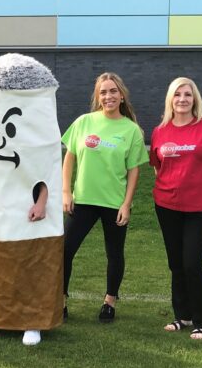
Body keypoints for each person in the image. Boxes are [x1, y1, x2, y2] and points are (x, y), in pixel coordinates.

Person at [0, 53, 64, 346]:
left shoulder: (37, 134)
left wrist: (42, 203)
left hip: (28, 209)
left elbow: (45, 170)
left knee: (32, 263)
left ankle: (32, 321)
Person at [150, 77, 202, 340]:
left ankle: (201, 322)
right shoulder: (160, 131)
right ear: (170, 99)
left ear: (195, 99)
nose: (182, 99)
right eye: (177, 94)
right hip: (167, 206)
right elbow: (157, 167)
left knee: (192, 263)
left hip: (201, 208)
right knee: (176, 264)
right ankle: (182, 316)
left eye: (187, 94)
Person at [62, 72, 148, 322]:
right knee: (64, 250)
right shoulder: (83, 122)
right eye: (103, 92)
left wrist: (126, 204)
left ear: (121, 96)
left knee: (114, 253)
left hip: (114, 203)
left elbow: (134, 170)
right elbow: (69, 157)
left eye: (112, 91)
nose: (108, 96)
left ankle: (109, 302)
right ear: (97, 97)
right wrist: (66, 191)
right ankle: (60, 300)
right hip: (83, 200)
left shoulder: (131, 130)